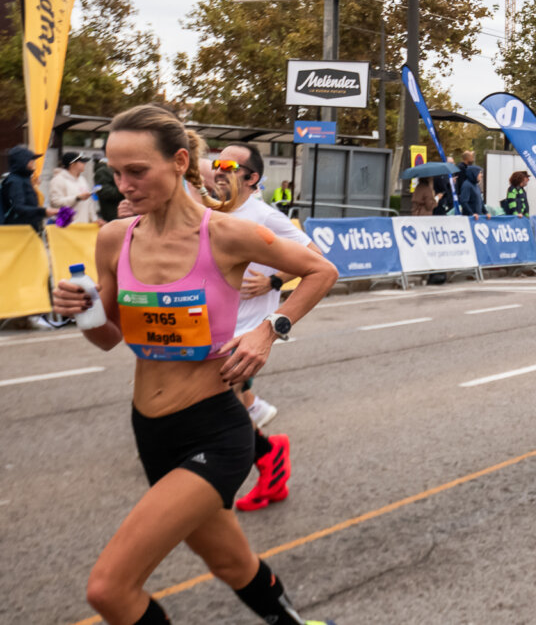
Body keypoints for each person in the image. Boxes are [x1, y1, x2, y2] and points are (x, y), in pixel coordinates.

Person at [51, 104, 338, 625]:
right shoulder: (115, 239)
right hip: (151, 430)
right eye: (114, 173)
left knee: (109, 589)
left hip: (214, 429)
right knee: (229, 560)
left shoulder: (225, 234)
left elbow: (321, 270)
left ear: (180, 162)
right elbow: (108, 340)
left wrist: (269, 328)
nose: (123, 185)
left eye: (137, 171)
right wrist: (82, 312)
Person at [212, 142, 326, 512]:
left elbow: (318, 259)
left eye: (228, 165)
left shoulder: (263, 216)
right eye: (216, 163)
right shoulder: (211, 211)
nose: (218, 170)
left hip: (246, 328)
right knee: (222, 404)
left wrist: (274, 281)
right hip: (213, 322)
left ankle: (267, 459)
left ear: (252, 177)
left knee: (217, 402)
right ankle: (258, 427)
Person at [1, 145, 58, 230]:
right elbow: (19, 207)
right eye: (31, 159)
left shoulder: (24, 178)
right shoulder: (15, 181)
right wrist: (43, 211)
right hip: (18, 230)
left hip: (28, 228)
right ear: (22, 161)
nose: (33, 162)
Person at [48, 151, 101, 224]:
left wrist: (94, 219)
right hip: (66, 227)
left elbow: (89, 202)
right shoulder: (58, 180)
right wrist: (77, 198)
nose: (85, 164)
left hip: (82, 226)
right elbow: (55, 203)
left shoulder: (82, 179)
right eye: (81, 161)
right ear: (72, 164)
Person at [95, 157, 125, 223]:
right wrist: (123, 189)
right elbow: (104, 192)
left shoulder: (121, 169)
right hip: (112, 216)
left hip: (126, 214)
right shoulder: (103, 171)